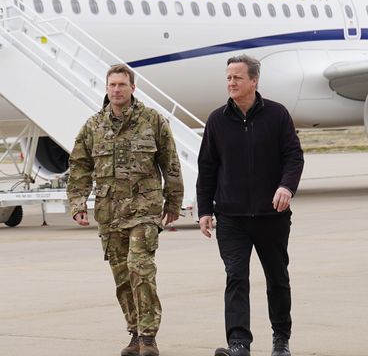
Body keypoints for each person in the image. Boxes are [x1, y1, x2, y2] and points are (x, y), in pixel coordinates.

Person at [67, 63, 183, 356]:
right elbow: (79, 166)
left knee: (139, 268)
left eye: (122, 84)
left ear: (133, 88)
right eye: (112, 85)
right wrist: (78, 203)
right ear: (106, 89)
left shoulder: (152, 120)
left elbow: (170, 162)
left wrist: (173, 202)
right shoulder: (94, 126)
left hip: (144, 209)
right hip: (109, 213)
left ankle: (148, 336)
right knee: (122, 277)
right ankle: (133, 333)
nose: (116, 90)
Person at [196, 55, 304, 356]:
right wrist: (205, 209)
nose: (231, 82)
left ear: (254, 81)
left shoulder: (277, 115)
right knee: (236, 278)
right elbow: (207, 167)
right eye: (228, 77)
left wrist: (286, 186)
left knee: (277, 278)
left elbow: (294, 157)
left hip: (272, 215)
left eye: (237, 77)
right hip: (231, 217)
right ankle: (239, 344)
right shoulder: (217, 120)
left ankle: (281, 340)